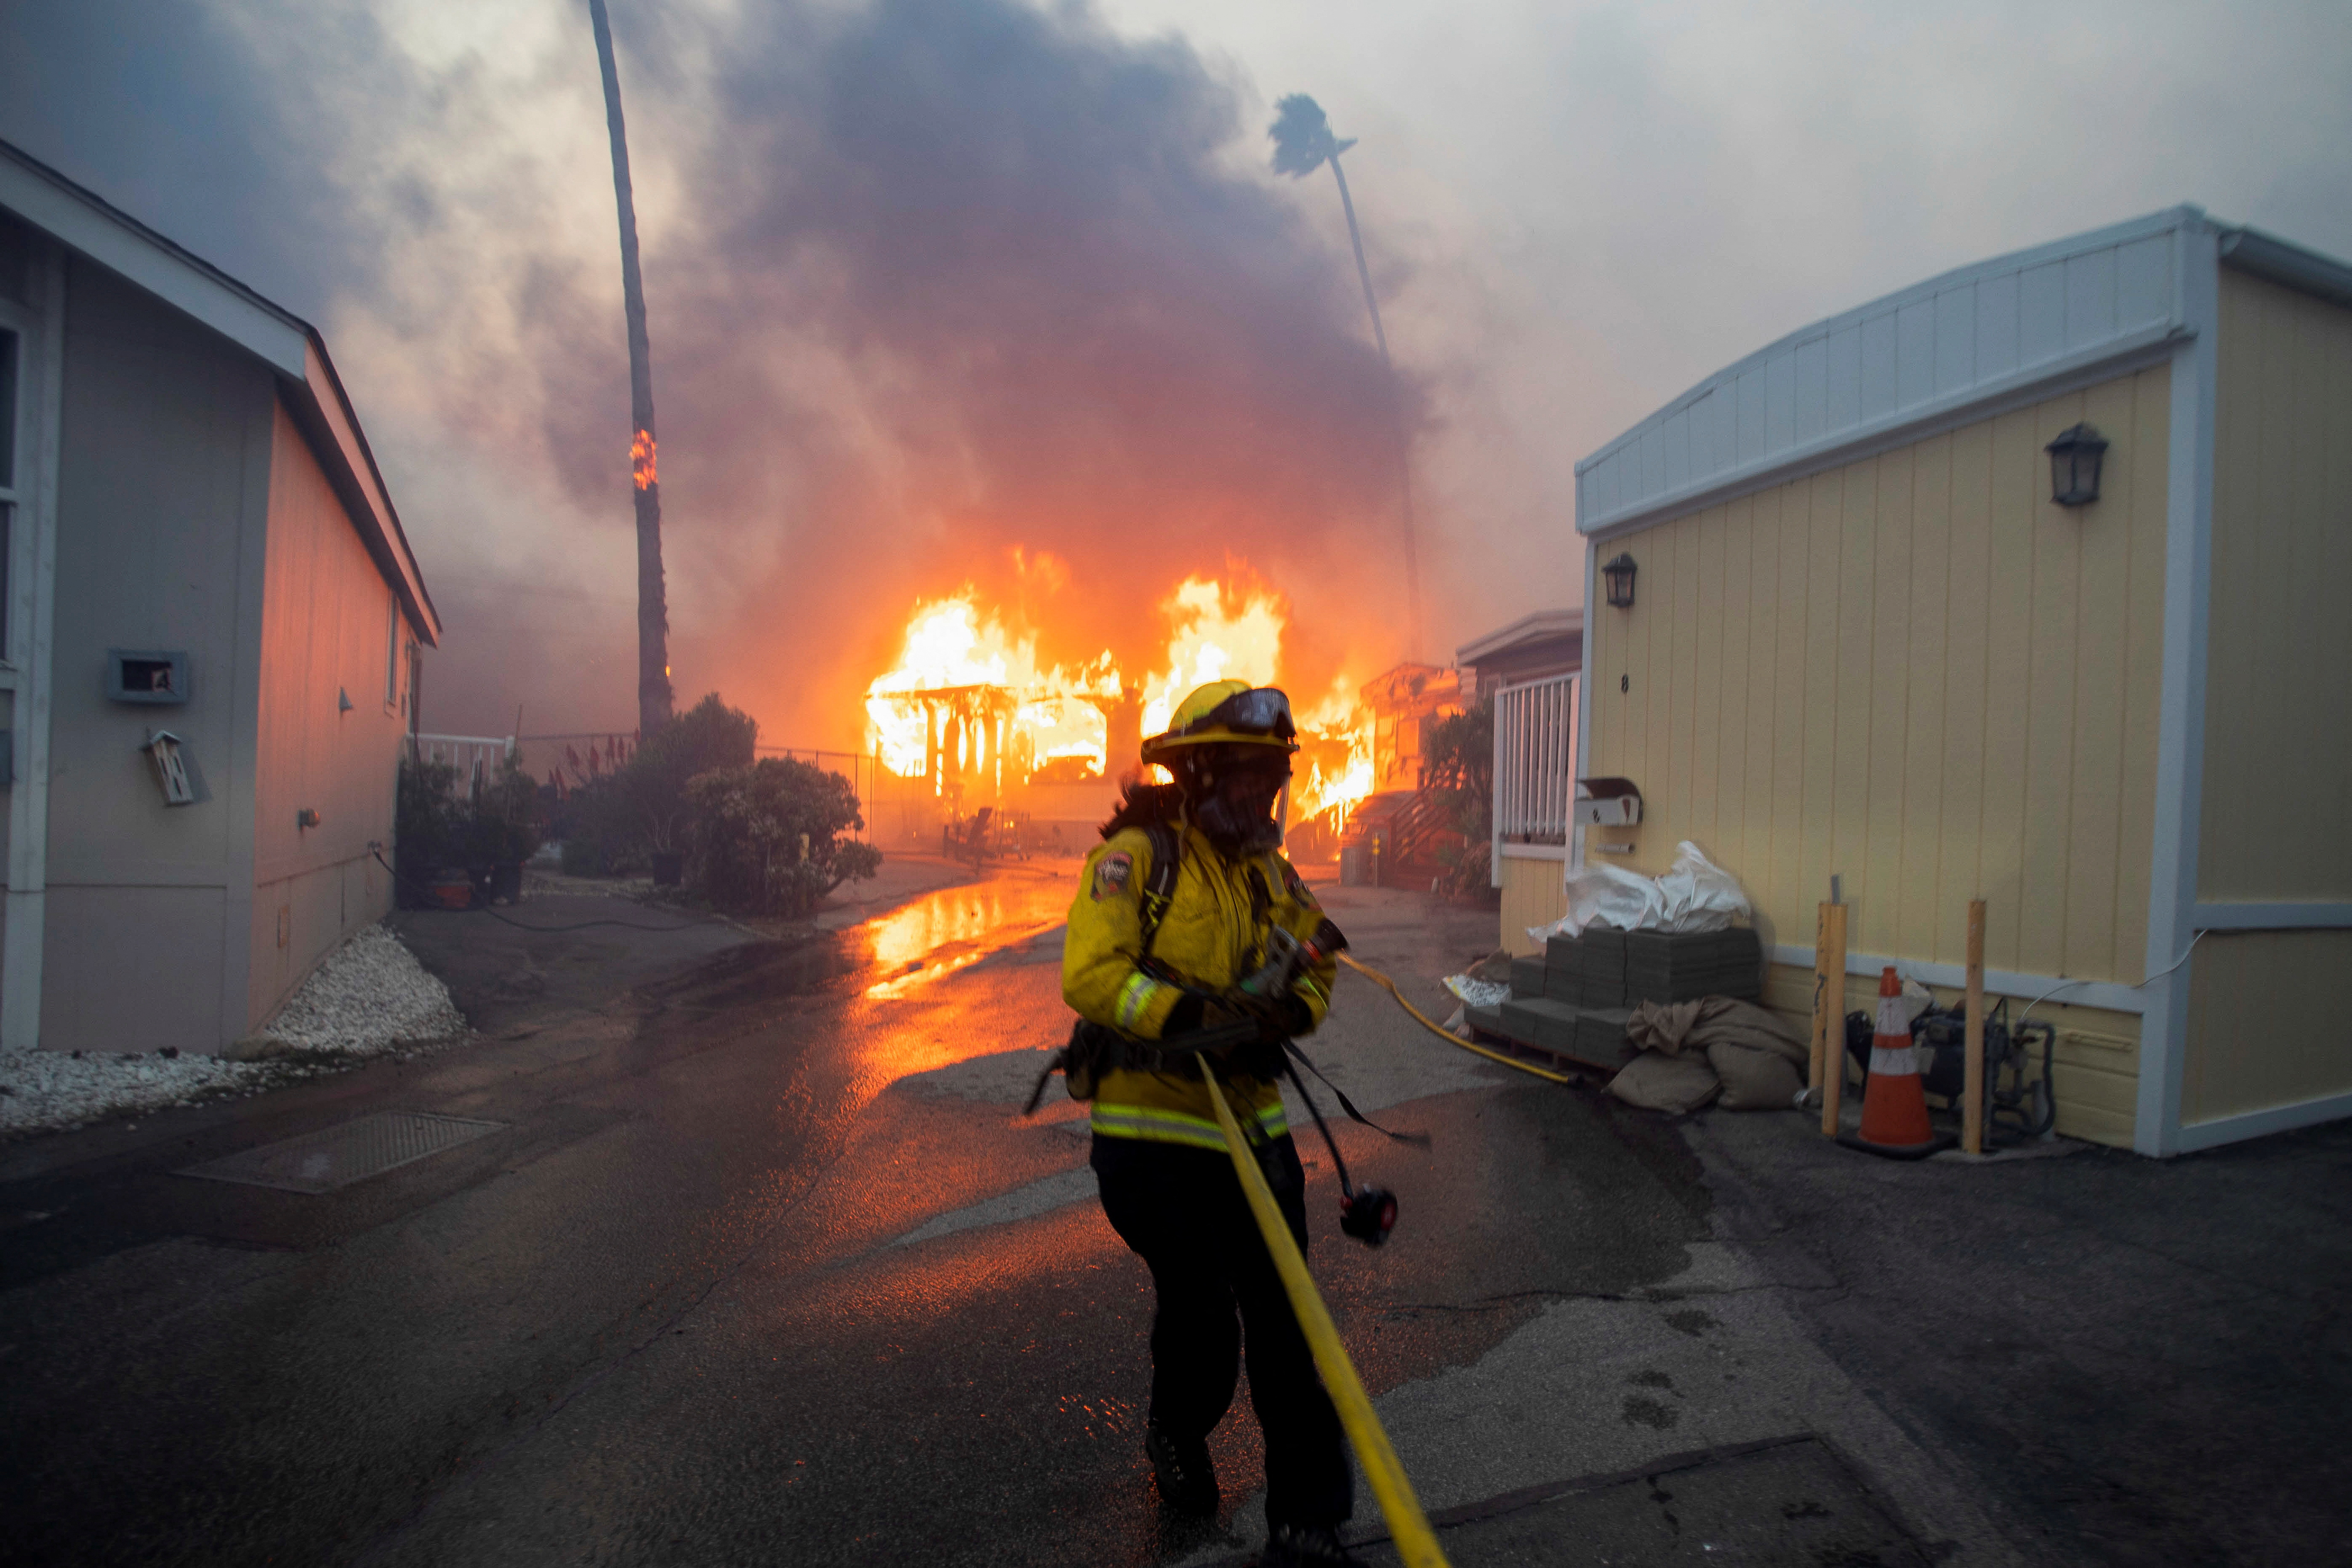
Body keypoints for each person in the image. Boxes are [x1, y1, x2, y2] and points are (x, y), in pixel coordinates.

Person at [1061, 679, 1360, 1568]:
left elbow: (1318, 955)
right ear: (1195, 773)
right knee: (1203, 1312)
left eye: (1272, 779)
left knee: (1287, 1322)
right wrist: (1190, 1021)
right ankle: (1175, 1427)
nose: (1261, 797)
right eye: (1244, 778)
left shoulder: (1268, 870)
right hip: (1151, 1140)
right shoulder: (1135, 858)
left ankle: (1307, 1528)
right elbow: (1093, 973)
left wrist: (1288, 1011)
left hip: (1252, 1128)